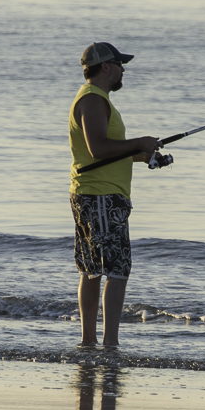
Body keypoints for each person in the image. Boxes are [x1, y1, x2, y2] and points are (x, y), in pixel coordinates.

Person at [69, 41, 159, 347]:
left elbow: (104, 154)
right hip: (101, 197)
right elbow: (98, 149)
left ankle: (90, 342)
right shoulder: (93, 100)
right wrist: (139, 142)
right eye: (120, 65)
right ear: (106, 67)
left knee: (92, 268)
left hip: (94, 193)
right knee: (116, 270)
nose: (123, 71)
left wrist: (141, 155)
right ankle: (108, 343)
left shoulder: (95, 99)